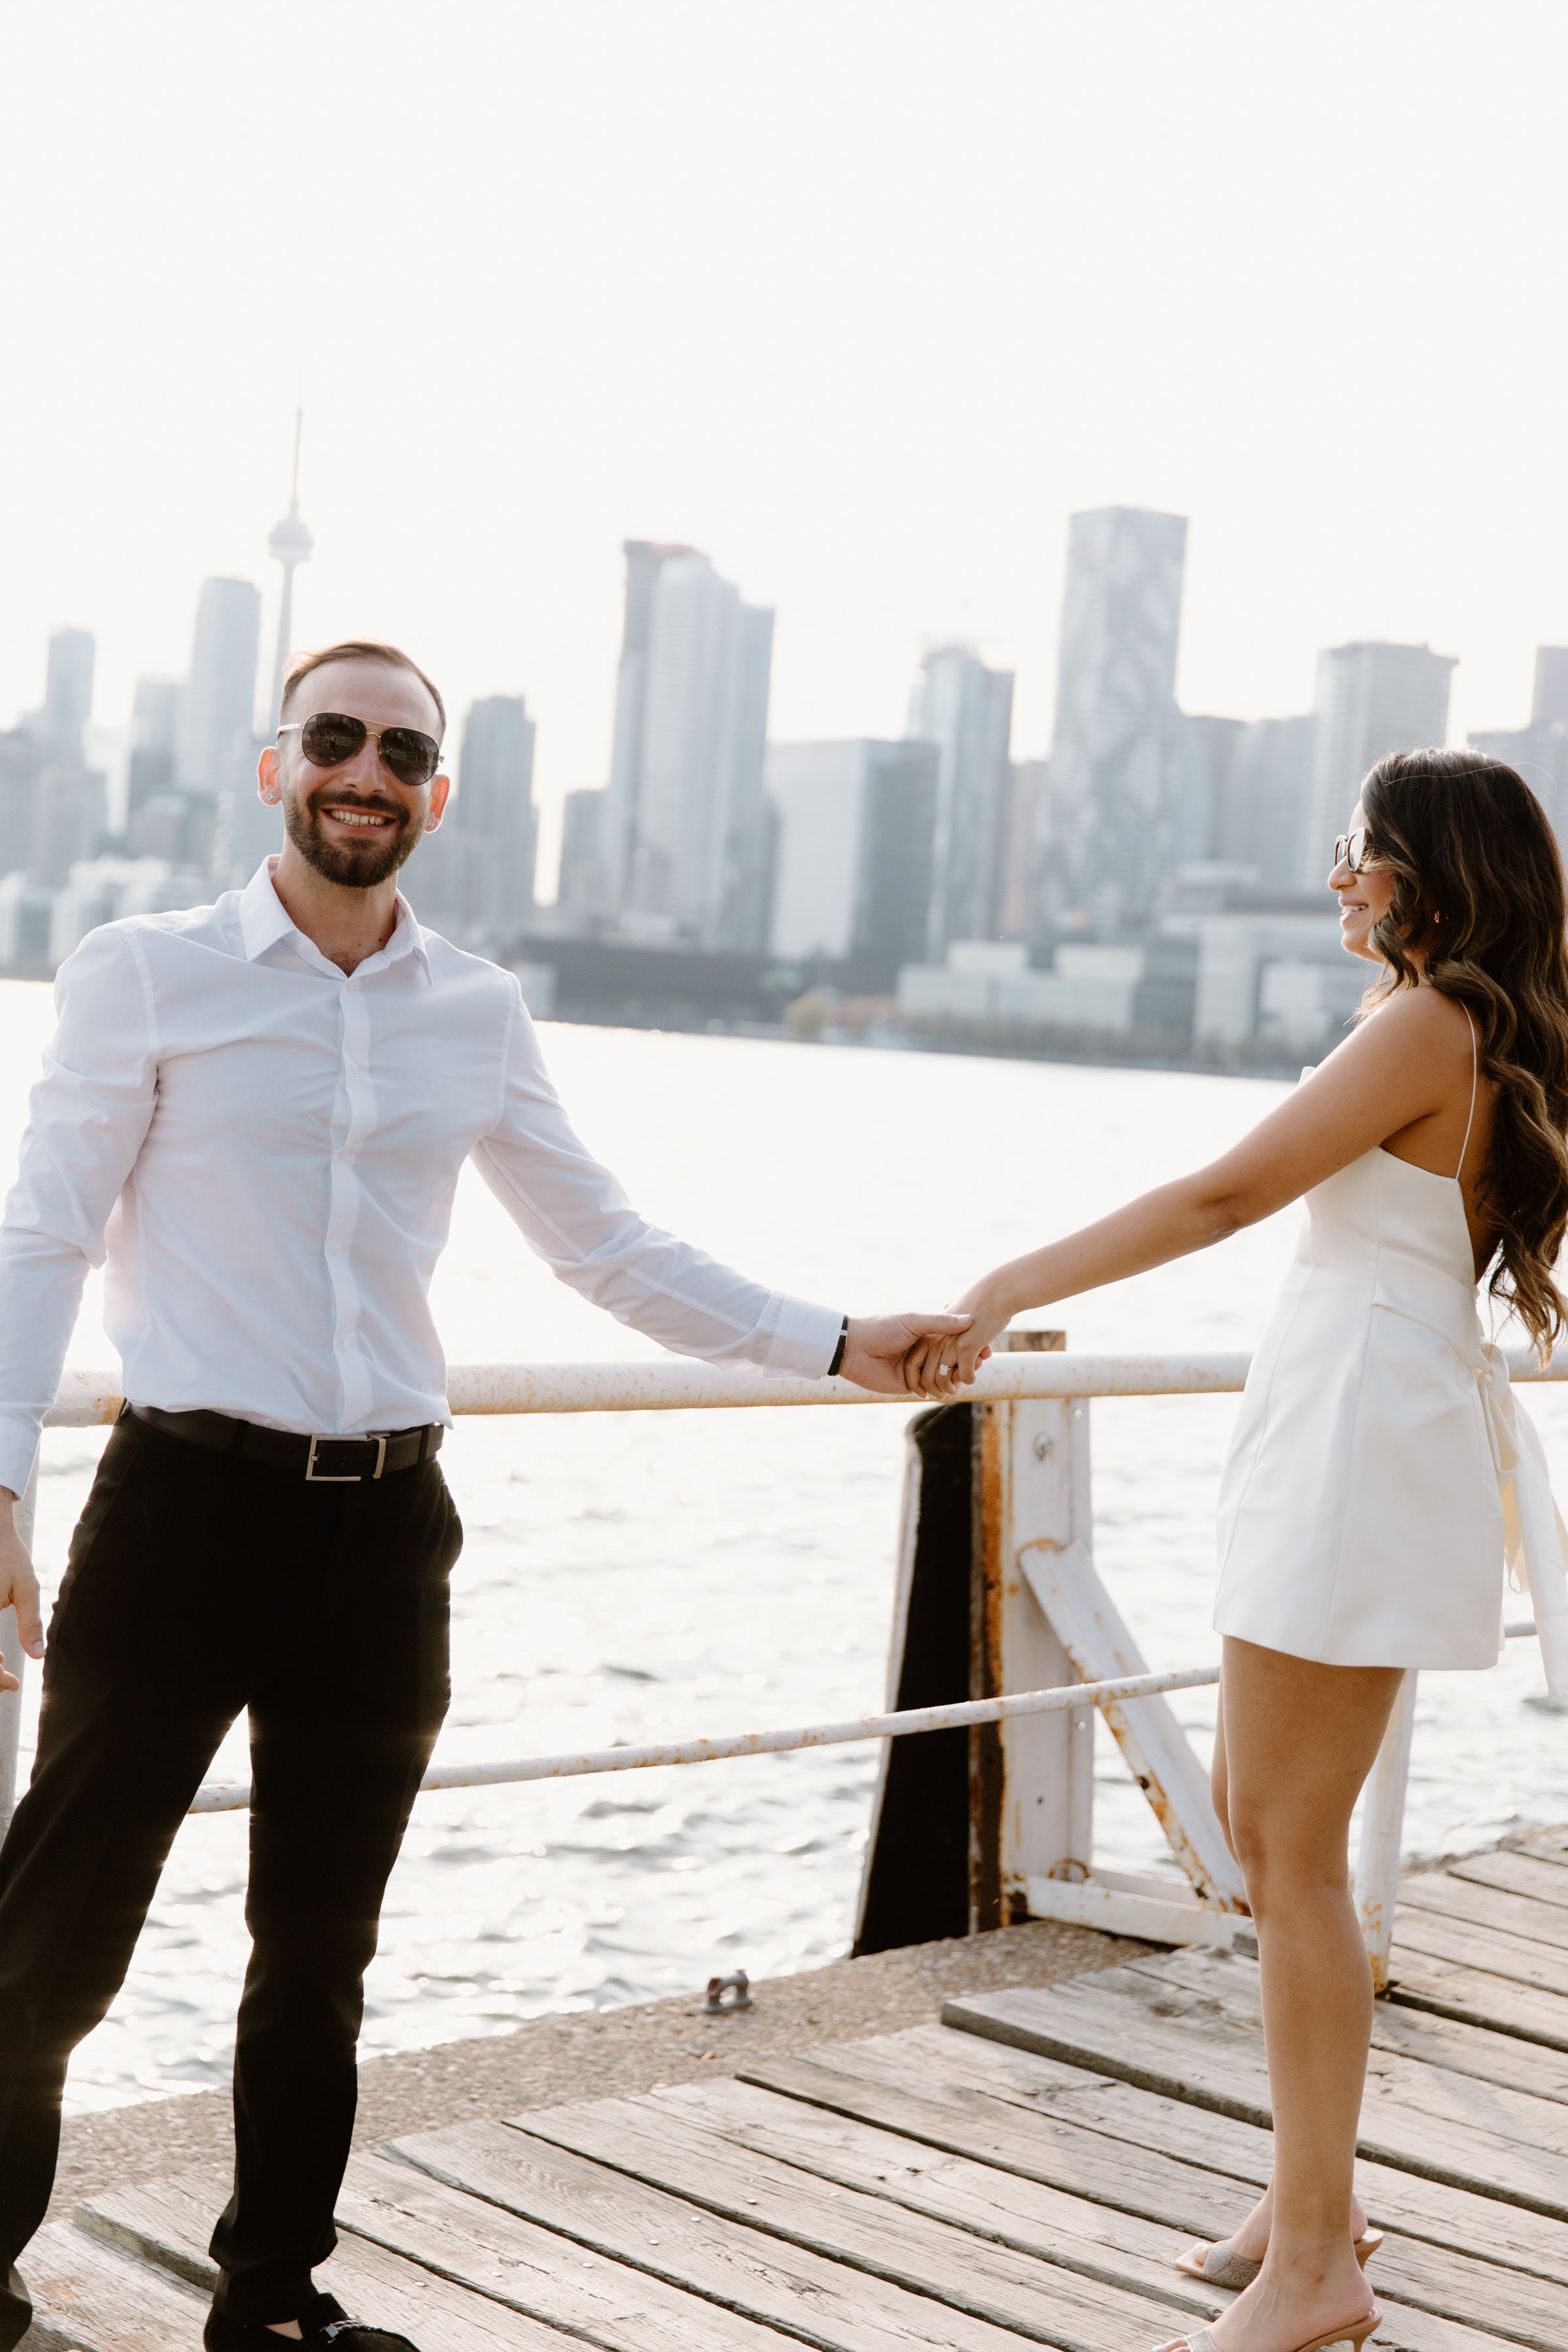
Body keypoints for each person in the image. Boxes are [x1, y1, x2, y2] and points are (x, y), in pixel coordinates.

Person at [0, 638, 971, 2352]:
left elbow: (604, 1247)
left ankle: (275, 2299)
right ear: (271, 766)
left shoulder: (477, 1008)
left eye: (401, 748)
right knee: (54, 1943)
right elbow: (42, 1235)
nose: (364, 770)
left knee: (320, 1957)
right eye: (333, 739)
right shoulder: (142, 973)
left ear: (439, 790)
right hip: (174, 1518)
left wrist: (837, 1341)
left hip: (385, 1539)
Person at [905, 748, 1568, 2352]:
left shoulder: (1427, 1022)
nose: (1337, 875)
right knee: (1275, 1834)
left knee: (1281, 1851)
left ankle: (1319, 2265)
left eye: (1358, 849)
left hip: (1357, 1440)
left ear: (1429, 868)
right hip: (1366, 1424)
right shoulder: (1477, 1027)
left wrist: (1002, 1284)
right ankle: (1307, 2193)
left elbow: (1222, 1197)